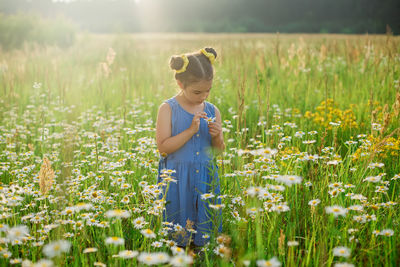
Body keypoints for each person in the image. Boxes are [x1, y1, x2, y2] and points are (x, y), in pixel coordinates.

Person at [155, 47, 225, 249]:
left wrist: (217, 136)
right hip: (177, 179)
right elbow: (163, 148)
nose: (203, 96)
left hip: (205, 178)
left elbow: (218, 150)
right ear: (180, 84)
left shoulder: (212, 110)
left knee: (205, 231)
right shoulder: (168, 108)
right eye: (197, 92)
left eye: (208, 91)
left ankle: (202, 254)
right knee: (178, 228)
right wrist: (190, 131)